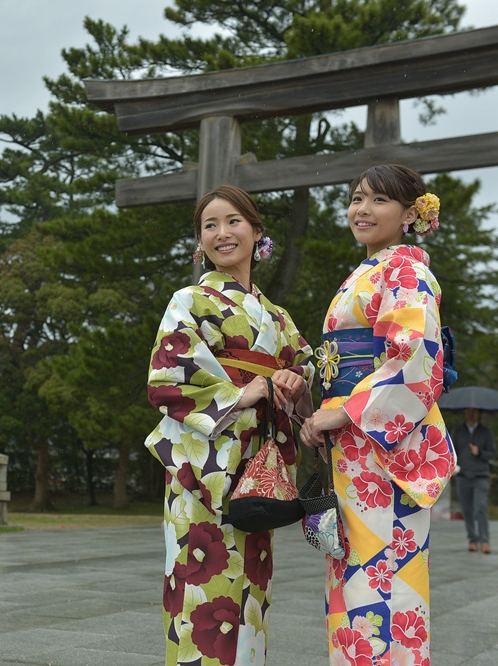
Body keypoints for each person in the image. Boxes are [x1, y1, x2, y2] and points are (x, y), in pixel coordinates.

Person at [145, 184, 315, 666]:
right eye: (210, 226)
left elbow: (305, 378)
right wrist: (245, 393)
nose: (222, 233)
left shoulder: (278, 317)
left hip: (255, 469)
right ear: (200, 243)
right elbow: (167, 377)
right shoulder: (189, 301)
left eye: (233, 221)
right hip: (202, 468)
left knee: (252, 592)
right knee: (201, 588)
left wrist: (293, 384)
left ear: (257, 232)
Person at [300, 164, 456, 665]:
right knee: (355, 580)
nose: (361, 210)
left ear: (410, 214)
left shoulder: (406, 271)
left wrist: (343, 410)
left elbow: (416, 357)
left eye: (378, 201)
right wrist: (313, 404)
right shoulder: (372, 272)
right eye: (355, 198)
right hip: (358, 446)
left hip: (381, 451)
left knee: (381, 581)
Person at [451, 408, 496, 553]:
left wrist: (480, 452)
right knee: (467, 510)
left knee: (480, 508)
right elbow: (450, 451)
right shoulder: (458, 431)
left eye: (474, 412)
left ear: (479, 414)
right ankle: (473, 540)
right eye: (468, 411)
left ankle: (484, 541)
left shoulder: (486, 433)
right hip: (463, 476)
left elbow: (493, 453)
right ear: (464, 413)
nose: (471, 414)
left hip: (481, 476)